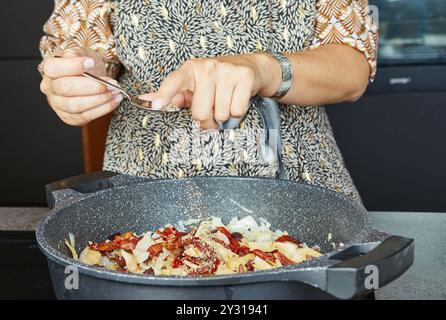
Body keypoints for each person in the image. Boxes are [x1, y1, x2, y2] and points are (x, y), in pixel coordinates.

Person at [39, 0, 378, 201]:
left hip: (301, 187)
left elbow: (352, 69)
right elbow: (81, 45)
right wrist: (77, 76)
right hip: (141, 194)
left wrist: (262, 69)